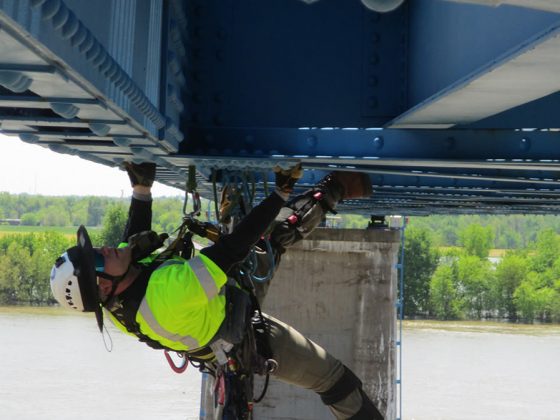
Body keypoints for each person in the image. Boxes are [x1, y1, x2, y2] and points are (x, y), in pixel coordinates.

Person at [50, 162, 383, 420]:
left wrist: (141, 190)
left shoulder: (117, 292)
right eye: (96, 257)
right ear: (103, 286)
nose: (105, 248)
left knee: (273, 244)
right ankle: (339, 187)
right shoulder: (167, 296)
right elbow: (233, 248)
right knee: (334, 380)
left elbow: (133, 241)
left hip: (221, 306)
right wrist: (279, 194)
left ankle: (339, 187)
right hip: (245, 335)